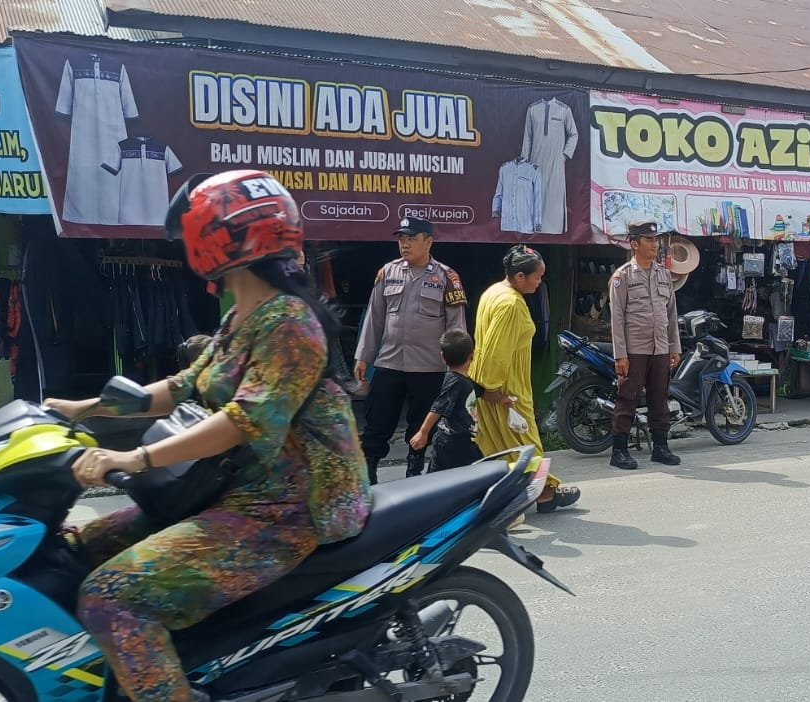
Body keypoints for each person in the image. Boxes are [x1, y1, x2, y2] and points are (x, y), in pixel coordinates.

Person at [43, 170, 370, 702]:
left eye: (192, 234)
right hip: (235, 489)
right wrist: (85, 408)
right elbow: (180, 387)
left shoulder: (290, 323)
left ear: (223, 239)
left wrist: (134, 457)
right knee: (77, 548)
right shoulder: (242, 314)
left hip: (290, 508)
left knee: (110, 596)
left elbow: (243, 421)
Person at [354, 216, 468, 481]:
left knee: (421, 425)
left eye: (411, 239)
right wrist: (363, 356)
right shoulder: (387, 272)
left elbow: (456, 327)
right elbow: (374, 318)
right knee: (377, 421)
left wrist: (457, 368)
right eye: (402, 239)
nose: (404, 244)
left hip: (428, 367)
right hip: (389, 362)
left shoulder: (447, 277)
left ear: (428, 242)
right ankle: (369, 474)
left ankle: (414, 474)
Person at [474, 245, 581, 512]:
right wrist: (493, 390)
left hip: (490, 386)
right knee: (526, 445)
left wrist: (483, 388)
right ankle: (543, 492)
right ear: (520, 276)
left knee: (503, 446)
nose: (540, 282)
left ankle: (534, 491)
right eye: (537, 277)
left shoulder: (493, 293)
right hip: (506, 389)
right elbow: (497, 353)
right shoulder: (510, 304)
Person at [608, 221, 684, 469]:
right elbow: (617, 318)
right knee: (627, 399)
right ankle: (619, 451)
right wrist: (620, 355)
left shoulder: (664, 274)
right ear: (634, 244)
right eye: (649, 240)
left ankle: (660, 448)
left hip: (660, 348)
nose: (655, 244)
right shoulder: (622, 276)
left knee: (659, 398)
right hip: (634, 350)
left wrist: (674, 347)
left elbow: (671, 313)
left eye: (656, 240)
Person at [409, 330, 510, 473]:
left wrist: (502, 399)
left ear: (442, 357)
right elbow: (438, 407)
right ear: (472, 355)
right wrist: (423, 432)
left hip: (463, 440)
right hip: (452, 441)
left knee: (463, 472)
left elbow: (484, 393)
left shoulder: (465, 381)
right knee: (458, 475)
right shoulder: (455, 382)